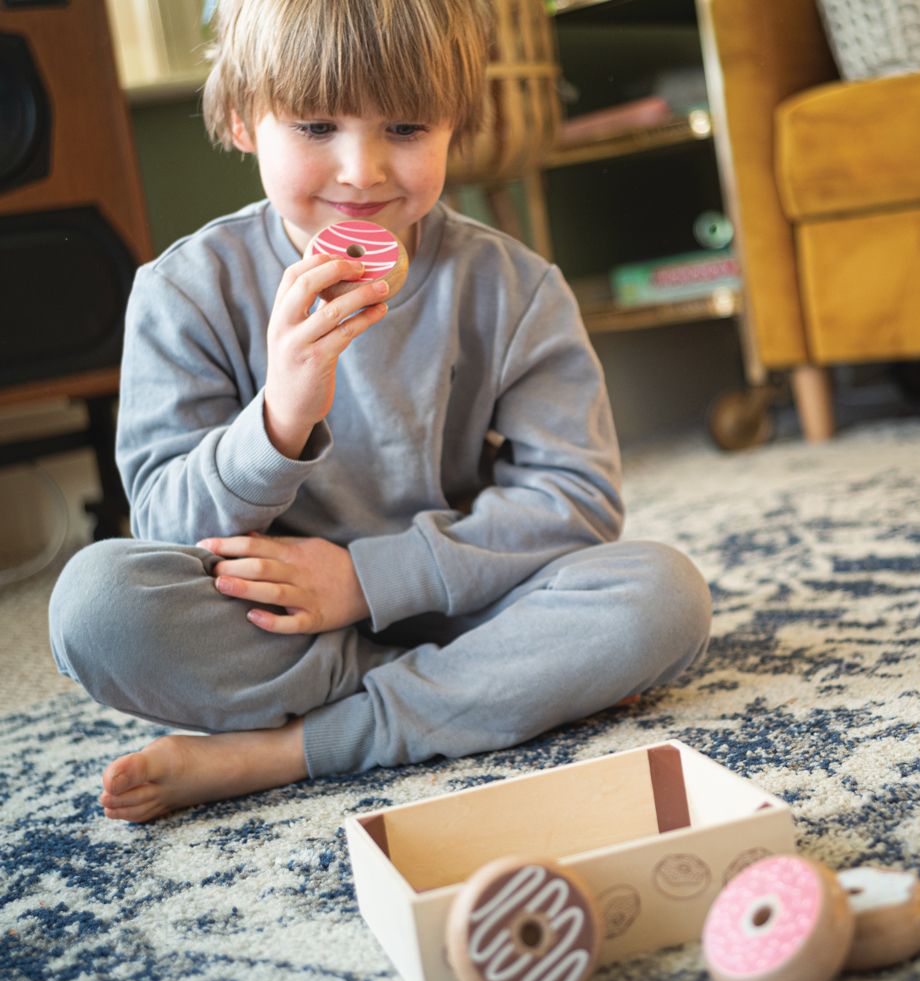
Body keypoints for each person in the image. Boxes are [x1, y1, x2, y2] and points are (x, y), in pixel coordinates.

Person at [48, 0, 712, 823]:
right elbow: (165, 525)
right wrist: (278, 418)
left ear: (454, 127)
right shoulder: (184, 291)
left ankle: (294, 750)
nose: (362, 170)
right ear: (240, 118)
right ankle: (474, 694)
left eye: (405, 127)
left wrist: (366, 581)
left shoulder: (515, 286)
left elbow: (574, 500)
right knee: (97, 604)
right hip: (290, 633)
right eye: (317, 124)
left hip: (475, 599)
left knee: (663, 595)